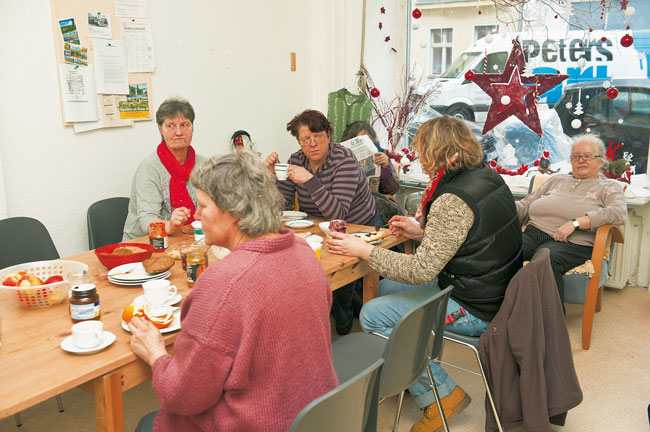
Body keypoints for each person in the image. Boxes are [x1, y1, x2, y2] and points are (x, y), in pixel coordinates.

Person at [327, 116, 522, 432]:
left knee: (374, 314)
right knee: (386, 288)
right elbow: (472, 237)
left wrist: (364, 251)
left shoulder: (453, 198)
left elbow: (420, 271)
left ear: (441, 152)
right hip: (489, 285)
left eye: (421, 151)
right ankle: (409, 369)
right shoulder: (485, 176)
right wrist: (422, 234)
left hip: (473, 306)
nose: (418, 157)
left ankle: (439, 395)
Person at [129, 150, 338, 432]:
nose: (197, 214)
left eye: (203, 205)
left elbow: (182, 396)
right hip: (314, 416)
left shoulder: (224, 283)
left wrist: (155, 352)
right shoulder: (302, 251)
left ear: (235, 213)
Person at [263, 109, 378, 335]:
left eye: (318, 136)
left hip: (356, 227)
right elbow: (280, 203)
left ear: (328, 135)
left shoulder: (344, 159)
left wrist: (310, 180)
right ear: (299, 141)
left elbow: (338, 214)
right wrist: (269, 178)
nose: (313, 144)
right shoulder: (296, 160)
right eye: (306, 139)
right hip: (315, 228)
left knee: (340, 278)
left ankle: (343, 327)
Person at [516, 134, 627, 303]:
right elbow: (525, 205)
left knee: (546, 257)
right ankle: (492, 310)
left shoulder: (609, 186)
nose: (581, 160)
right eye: (576, 156)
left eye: (588, 156)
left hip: (573, 243)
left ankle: (551, 324)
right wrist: (501, 206)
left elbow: (618, 213)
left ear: (601, 161)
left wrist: (577, 222)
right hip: (534, 233)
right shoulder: (556, 180)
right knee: (506, 249)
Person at [123, 98, 205, 240]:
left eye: (185, 125)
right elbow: (146, 220)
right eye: (171, 126)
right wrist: (169, 226)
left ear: (193, 127)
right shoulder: (149, 169)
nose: (179, 132)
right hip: (146, 243)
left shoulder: (204, 165)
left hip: (188, 239)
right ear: (160, 129)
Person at [340, 121, 399, 196]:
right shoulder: (339, 156)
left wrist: (385, 168)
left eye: (369, 138)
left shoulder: (380, 155)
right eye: (361, 139)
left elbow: (392, 190)